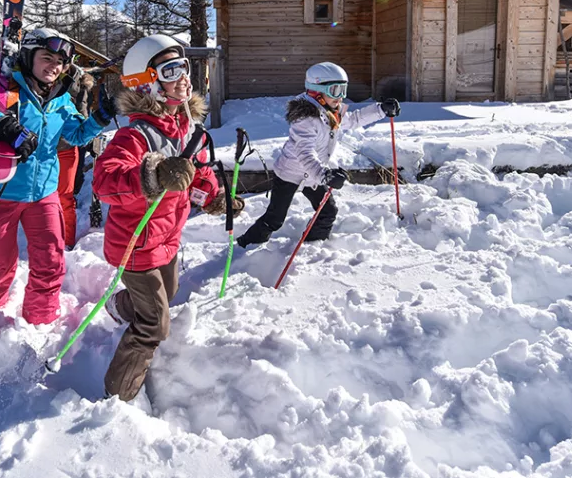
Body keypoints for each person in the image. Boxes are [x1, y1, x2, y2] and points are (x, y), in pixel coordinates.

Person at [92, 34, 241, 402]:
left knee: (168, 292)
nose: (184, 77)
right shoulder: (134, 136)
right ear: (147, 83)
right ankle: (117, 397)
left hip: (166, 240)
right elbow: (105, 182)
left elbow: (197, 175)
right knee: (154, 324)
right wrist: (151, 176)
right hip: (136, 244)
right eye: (171, 70)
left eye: (185, 67)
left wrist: (214, 198)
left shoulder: (188, 129)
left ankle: (119, 306)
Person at [0, 27, 116, 325]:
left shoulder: (61, 101)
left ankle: (41, 319)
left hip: (44, 194)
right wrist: (2, 124)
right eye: (47, 57)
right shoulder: (5, 92)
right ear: (29, 57)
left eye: (59, 62)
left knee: (51, 261)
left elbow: (77, 135)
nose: (53, 66)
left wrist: (99, 119)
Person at [235, 62, 399, 249]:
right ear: (316, 91)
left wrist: (380, 110)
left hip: (313, 174)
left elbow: (354, 120)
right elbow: (305, 153)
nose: (341, 97)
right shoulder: (305, 119)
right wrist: (324, 175)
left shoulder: (330, 112)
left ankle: (312, 246)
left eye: (344, 90)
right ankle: (245, 245)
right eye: (335, 90)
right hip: (291, 172)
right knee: (275, 218)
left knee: (328, 211)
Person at [55, 64, 95, 250]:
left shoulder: (79, 85)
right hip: (46, 146)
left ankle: (66, 241)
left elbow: (82, 112)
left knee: (65, 196)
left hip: (67, 145)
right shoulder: (44, 81)